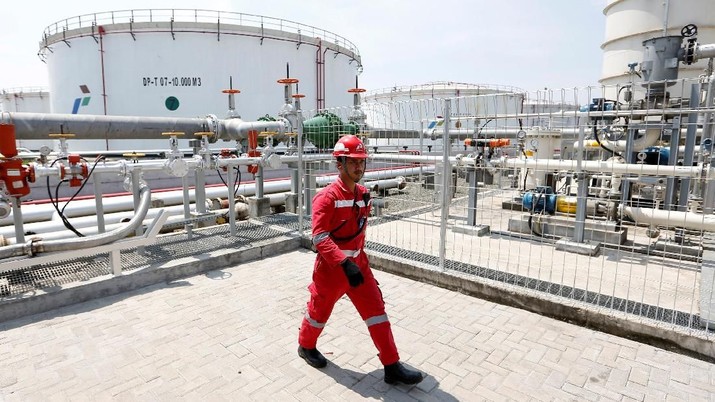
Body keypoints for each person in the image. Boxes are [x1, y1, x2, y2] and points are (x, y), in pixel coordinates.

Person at [297, 135, 423, 385]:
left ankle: (391, 364)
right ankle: (305, 345)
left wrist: (356, 262)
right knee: (318, 313)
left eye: (362, 162)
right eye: (353, 162)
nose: (359, 167)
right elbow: (319, 237)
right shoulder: (326, 198)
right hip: (332, 271)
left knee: (377, 312)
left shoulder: (364, 194)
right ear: (339, 164)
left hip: (359, 266)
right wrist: (343, 263)